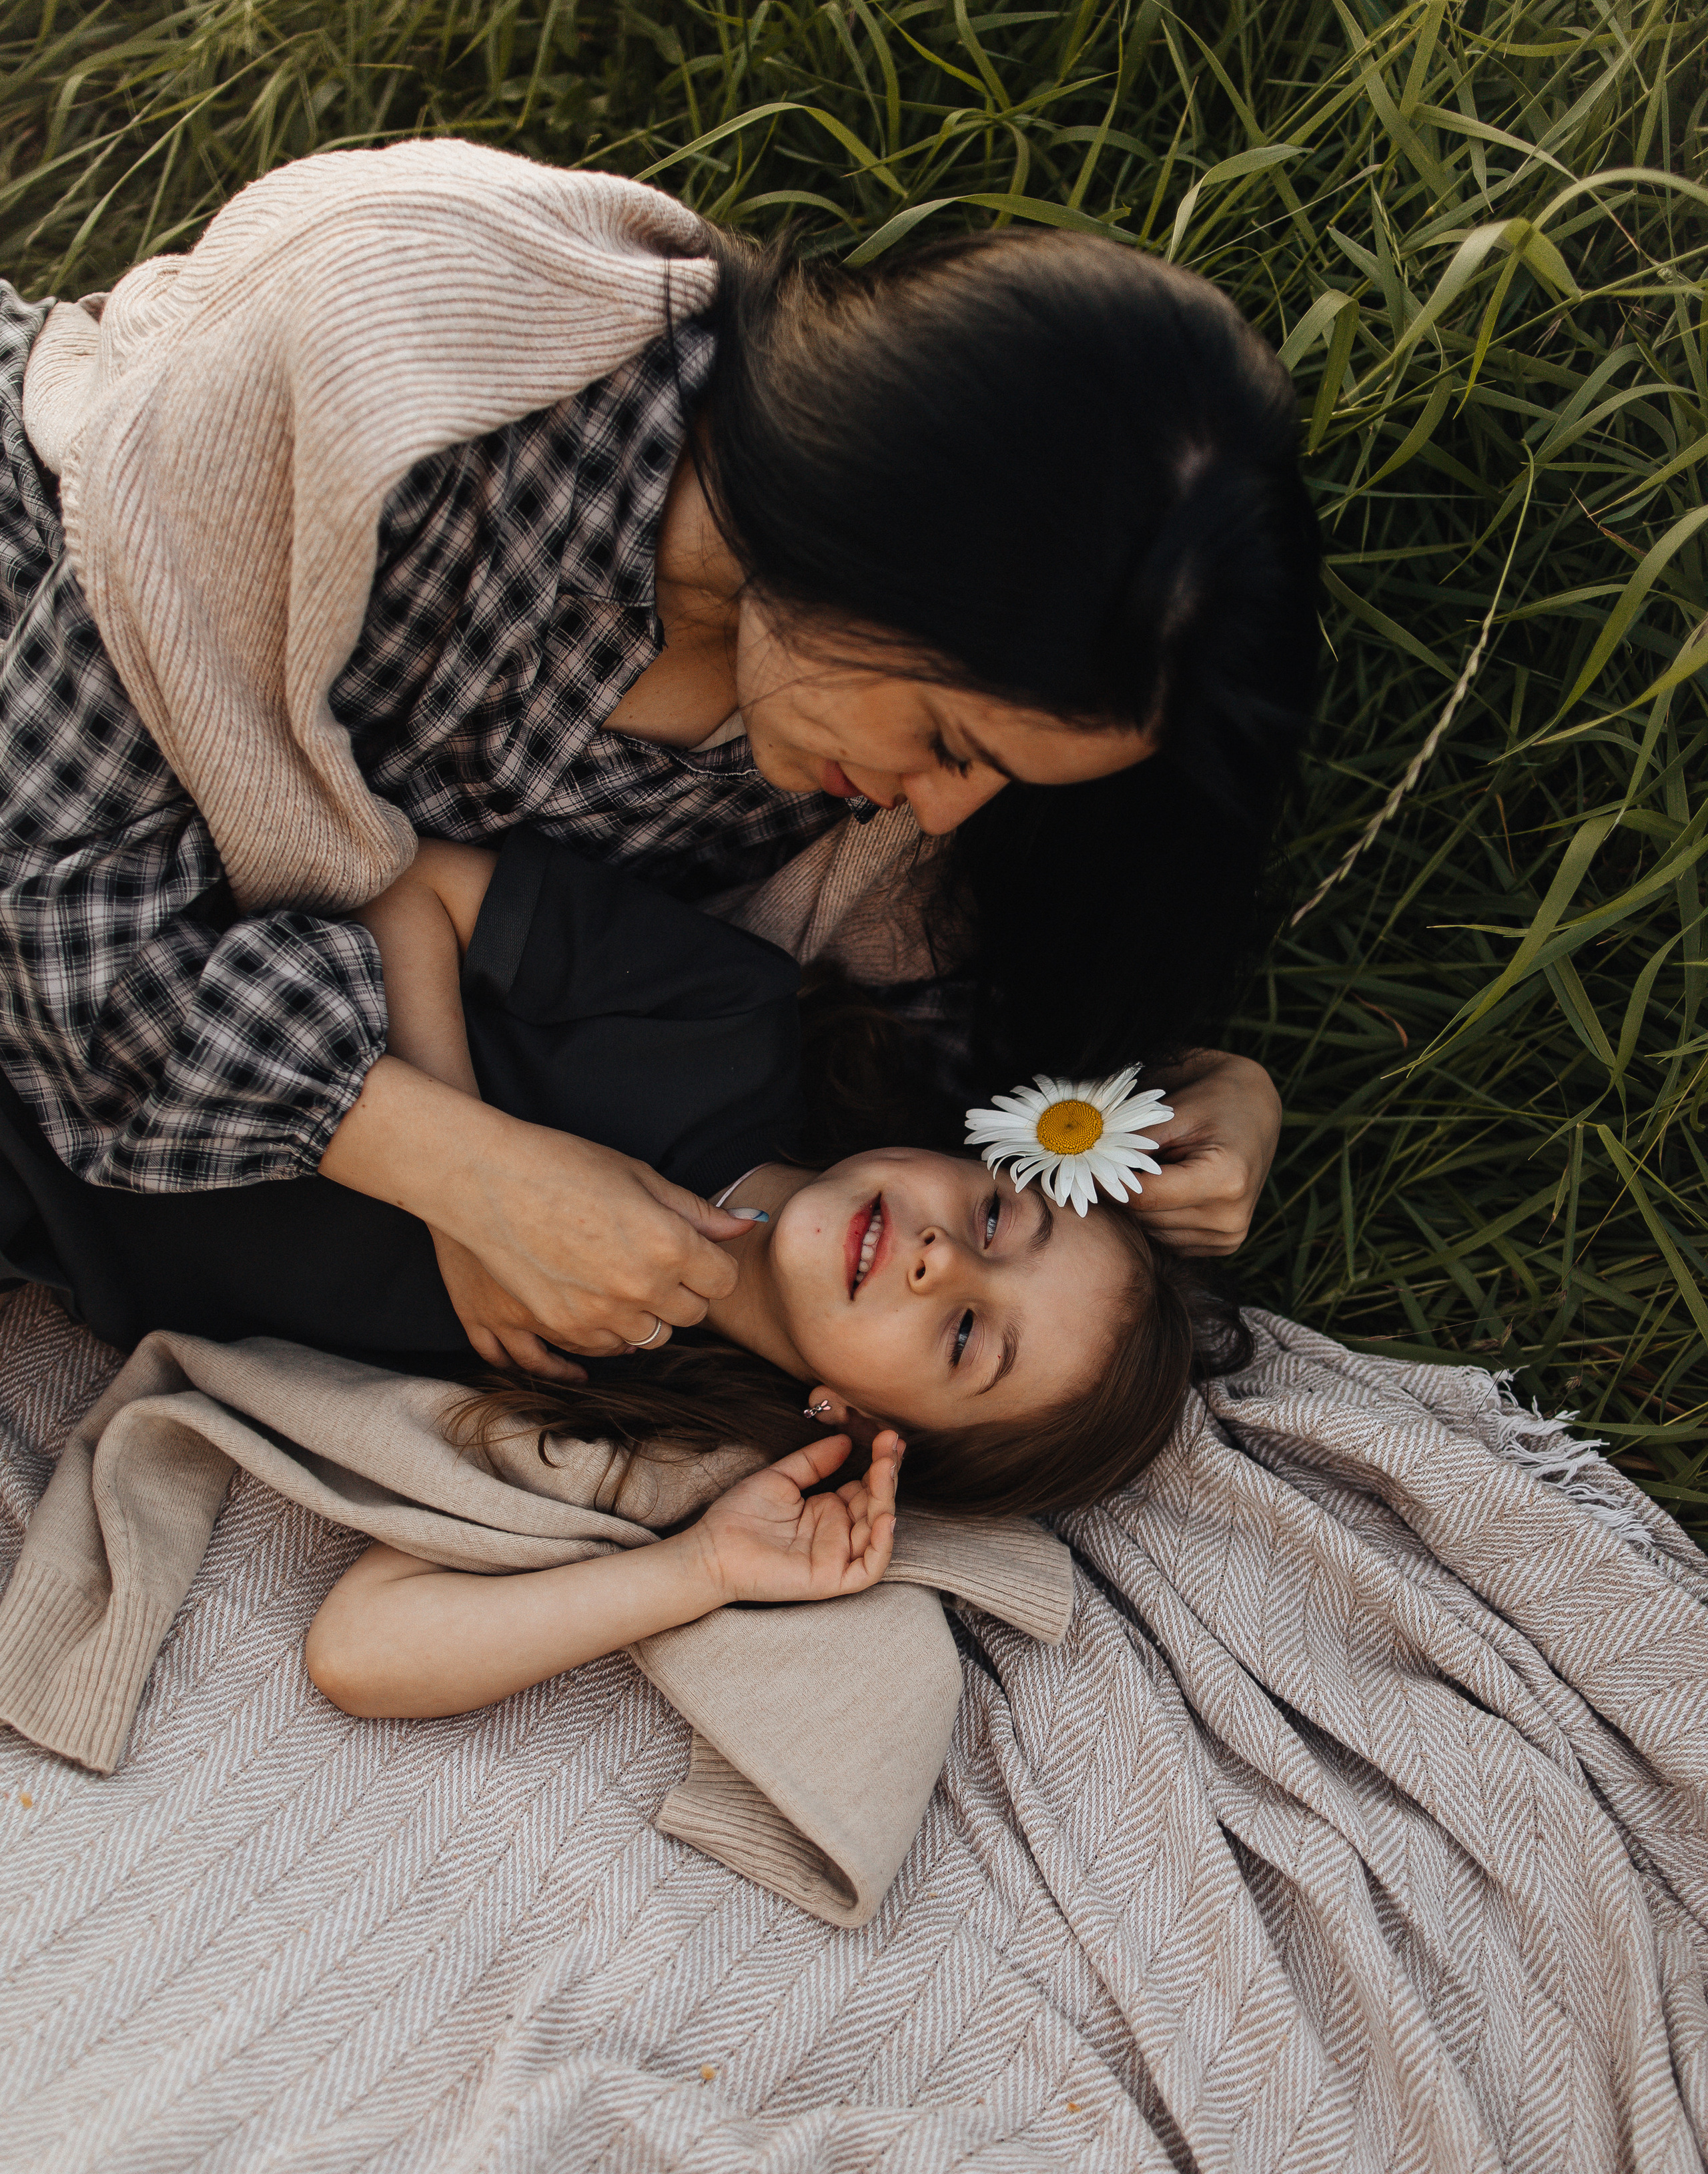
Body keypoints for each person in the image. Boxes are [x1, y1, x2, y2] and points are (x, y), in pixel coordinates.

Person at [0, 149, 1319, 1377]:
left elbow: (923, 1070)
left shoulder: (839, 763)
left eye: (1005, 783)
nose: (939, 809)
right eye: (947, 742)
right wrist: (475, 1180)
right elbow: (51, 920)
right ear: (874, 543)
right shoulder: (405, 348)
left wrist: (1199, 1090)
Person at [298, 839, 1248, 1724]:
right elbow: (402, 883)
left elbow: (362, 1650)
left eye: (964, 1336)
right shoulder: (727, 1017)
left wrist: (705, 1567)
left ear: (874, 1427)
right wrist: (465, 1198)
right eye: (996, 1218)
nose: (943, 1258)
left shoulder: (645, 1420)